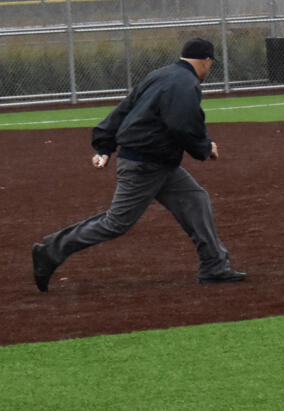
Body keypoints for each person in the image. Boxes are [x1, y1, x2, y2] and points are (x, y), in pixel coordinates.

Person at [32, 37, 246, 292]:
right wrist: (205, 147)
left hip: (159, 162)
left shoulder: (160, 75)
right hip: (145, 162)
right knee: (117, 222)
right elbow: (183, 124)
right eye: (210, 65)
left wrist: (104, 144)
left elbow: (125, 108)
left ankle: (214, 266)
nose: (208, 71)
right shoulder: (185, 83)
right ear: (206, 61)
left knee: (196, 200)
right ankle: (51, 251)